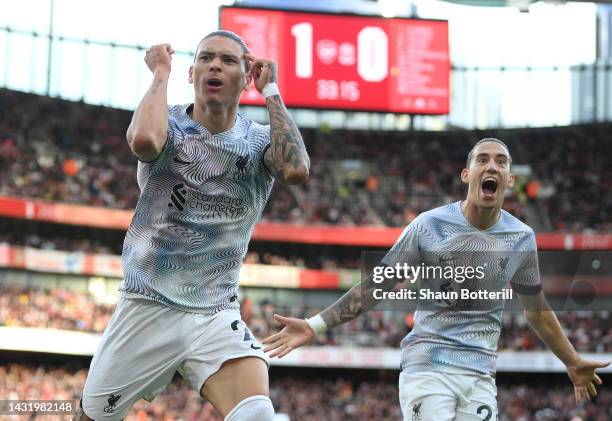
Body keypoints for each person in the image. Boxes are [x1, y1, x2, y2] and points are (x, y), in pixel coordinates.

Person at [263, 138, 608, 420]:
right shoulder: (429, 227)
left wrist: (572, 361)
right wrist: (316, 325)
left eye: (501, 162)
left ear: (510, 179)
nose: (492, 166)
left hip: (480, 375)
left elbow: (536, 309)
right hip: (427, 367)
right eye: (483, 160)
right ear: (466, 174)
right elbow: (377, 285)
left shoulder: (521, 237)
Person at [75, 30, 309, 420]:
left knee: (257, 414)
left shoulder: (258, 140)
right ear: (192, 72)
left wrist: (272, 92)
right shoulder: (165, 122)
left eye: (229, 60)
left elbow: (296, 170)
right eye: (206, 58)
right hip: (148, 305)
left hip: (214, 311)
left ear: (247, 76)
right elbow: (144, 143)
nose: (215, 64)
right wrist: (160, 74)